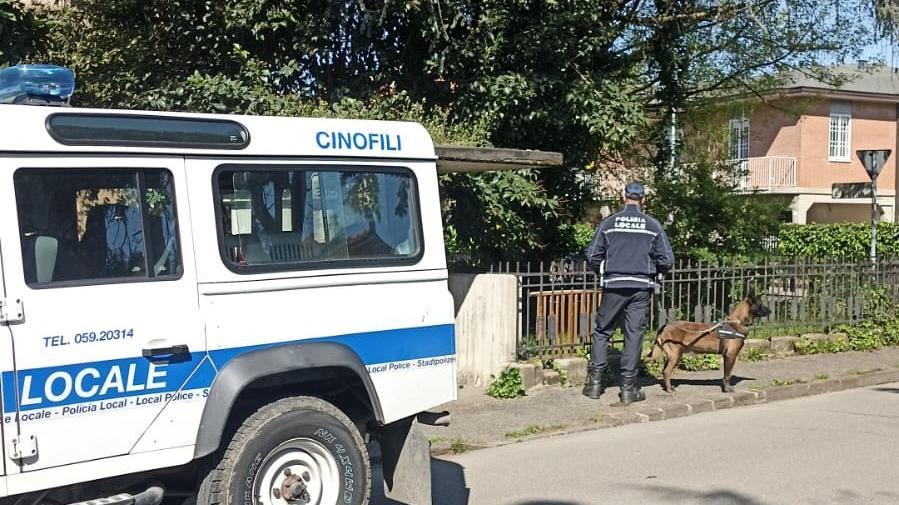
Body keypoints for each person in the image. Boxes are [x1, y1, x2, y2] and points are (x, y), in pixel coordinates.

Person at [583, 181, 674, 404]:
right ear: (643, 199)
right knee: (633, 335)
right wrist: (656, 272)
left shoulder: (609, 223)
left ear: (623, 197)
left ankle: (595, 384)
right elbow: (667, 260)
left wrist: (602, 271)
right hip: (641, 287)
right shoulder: (653, 225)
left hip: (614, 284)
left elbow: (593, 254)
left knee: (603, 330)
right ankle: (628, 389)